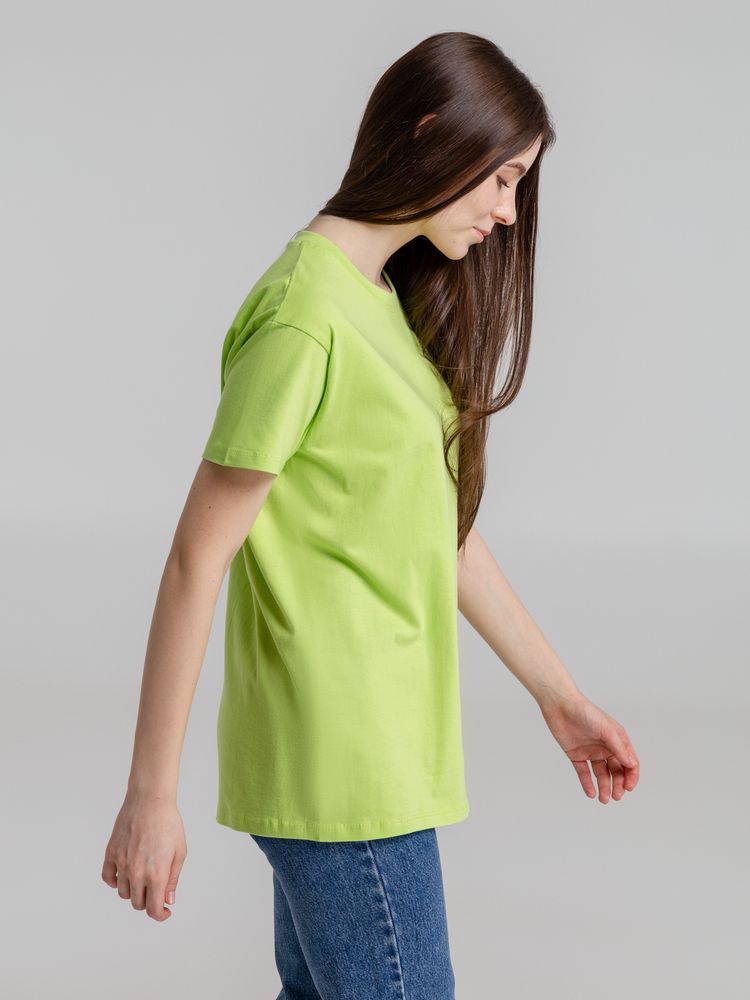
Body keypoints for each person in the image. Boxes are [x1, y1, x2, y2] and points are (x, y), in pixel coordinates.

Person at [101, 30, 640, 998]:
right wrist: (151, 794)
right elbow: (197, 557)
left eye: (519, 185)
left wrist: (560, 699)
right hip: (340, 759)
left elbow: (438, 532)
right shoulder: (304, 314)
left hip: (380, 753)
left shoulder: (375, 300)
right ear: (431, 132)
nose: (507, 211)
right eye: (502, 178)